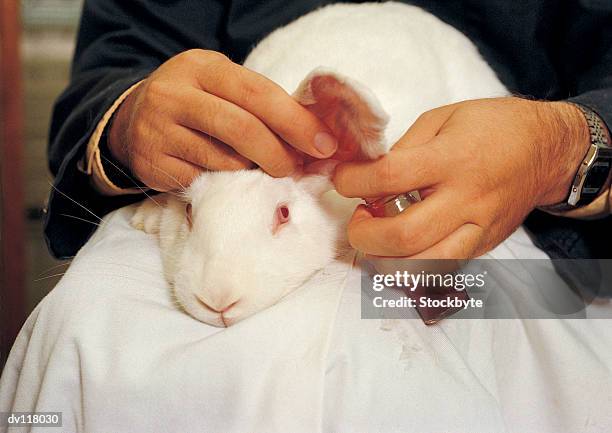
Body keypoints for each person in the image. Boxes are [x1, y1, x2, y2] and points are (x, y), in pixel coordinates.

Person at [47, 1, 612, 269]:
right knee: (92, 340)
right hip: (214, 183)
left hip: (524, 209)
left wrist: (566, 147)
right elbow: (115, 59)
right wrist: (127, 118)